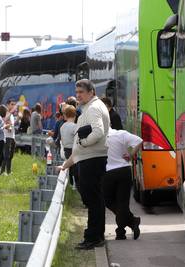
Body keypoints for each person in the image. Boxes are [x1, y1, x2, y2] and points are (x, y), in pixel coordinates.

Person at [72, 79, 110, 250]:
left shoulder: (94, 107)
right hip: (91, 158)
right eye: (77, 91)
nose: (77, 95)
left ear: (91, 92)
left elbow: (98, 131)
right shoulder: (93, 106)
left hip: (92, 159)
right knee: (94, 199)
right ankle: (96, 235)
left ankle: (93, 237)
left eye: (81, 92)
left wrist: (84, 143)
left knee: (92, 199)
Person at [103, 128, 142, 240]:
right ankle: (129, 224)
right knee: (122, 203)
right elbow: (139, 140)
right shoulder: (121, 134)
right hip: (124, 170)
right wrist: (131, 155)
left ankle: (124, 229)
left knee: (108, 201)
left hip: (108, 172)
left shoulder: (100, 136)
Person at [60, 105, 78, 189]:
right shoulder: (75, 127)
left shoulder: (62, 127)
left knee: (70, 168)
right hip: (73, 150)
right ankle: (75, 184)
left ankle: (70, 184)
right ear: (75, 115)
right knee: (75, 168)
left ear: (65, 115)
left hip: (66, 150)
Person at [1, 99, 17, 175]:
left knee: (11, 155)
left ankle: (9, 171)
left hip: (12, 136)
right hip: (6, 136)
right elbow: (4, 120)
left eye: (14, 104)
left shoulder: (12, 115)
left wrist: (19, 119)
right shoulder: (6, 113)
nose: (13, 106)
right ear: (7, 105)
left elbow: (12, 124)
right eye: (11, 104)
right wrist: (11, 112)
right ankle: (2, 171)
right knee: (6, 155)